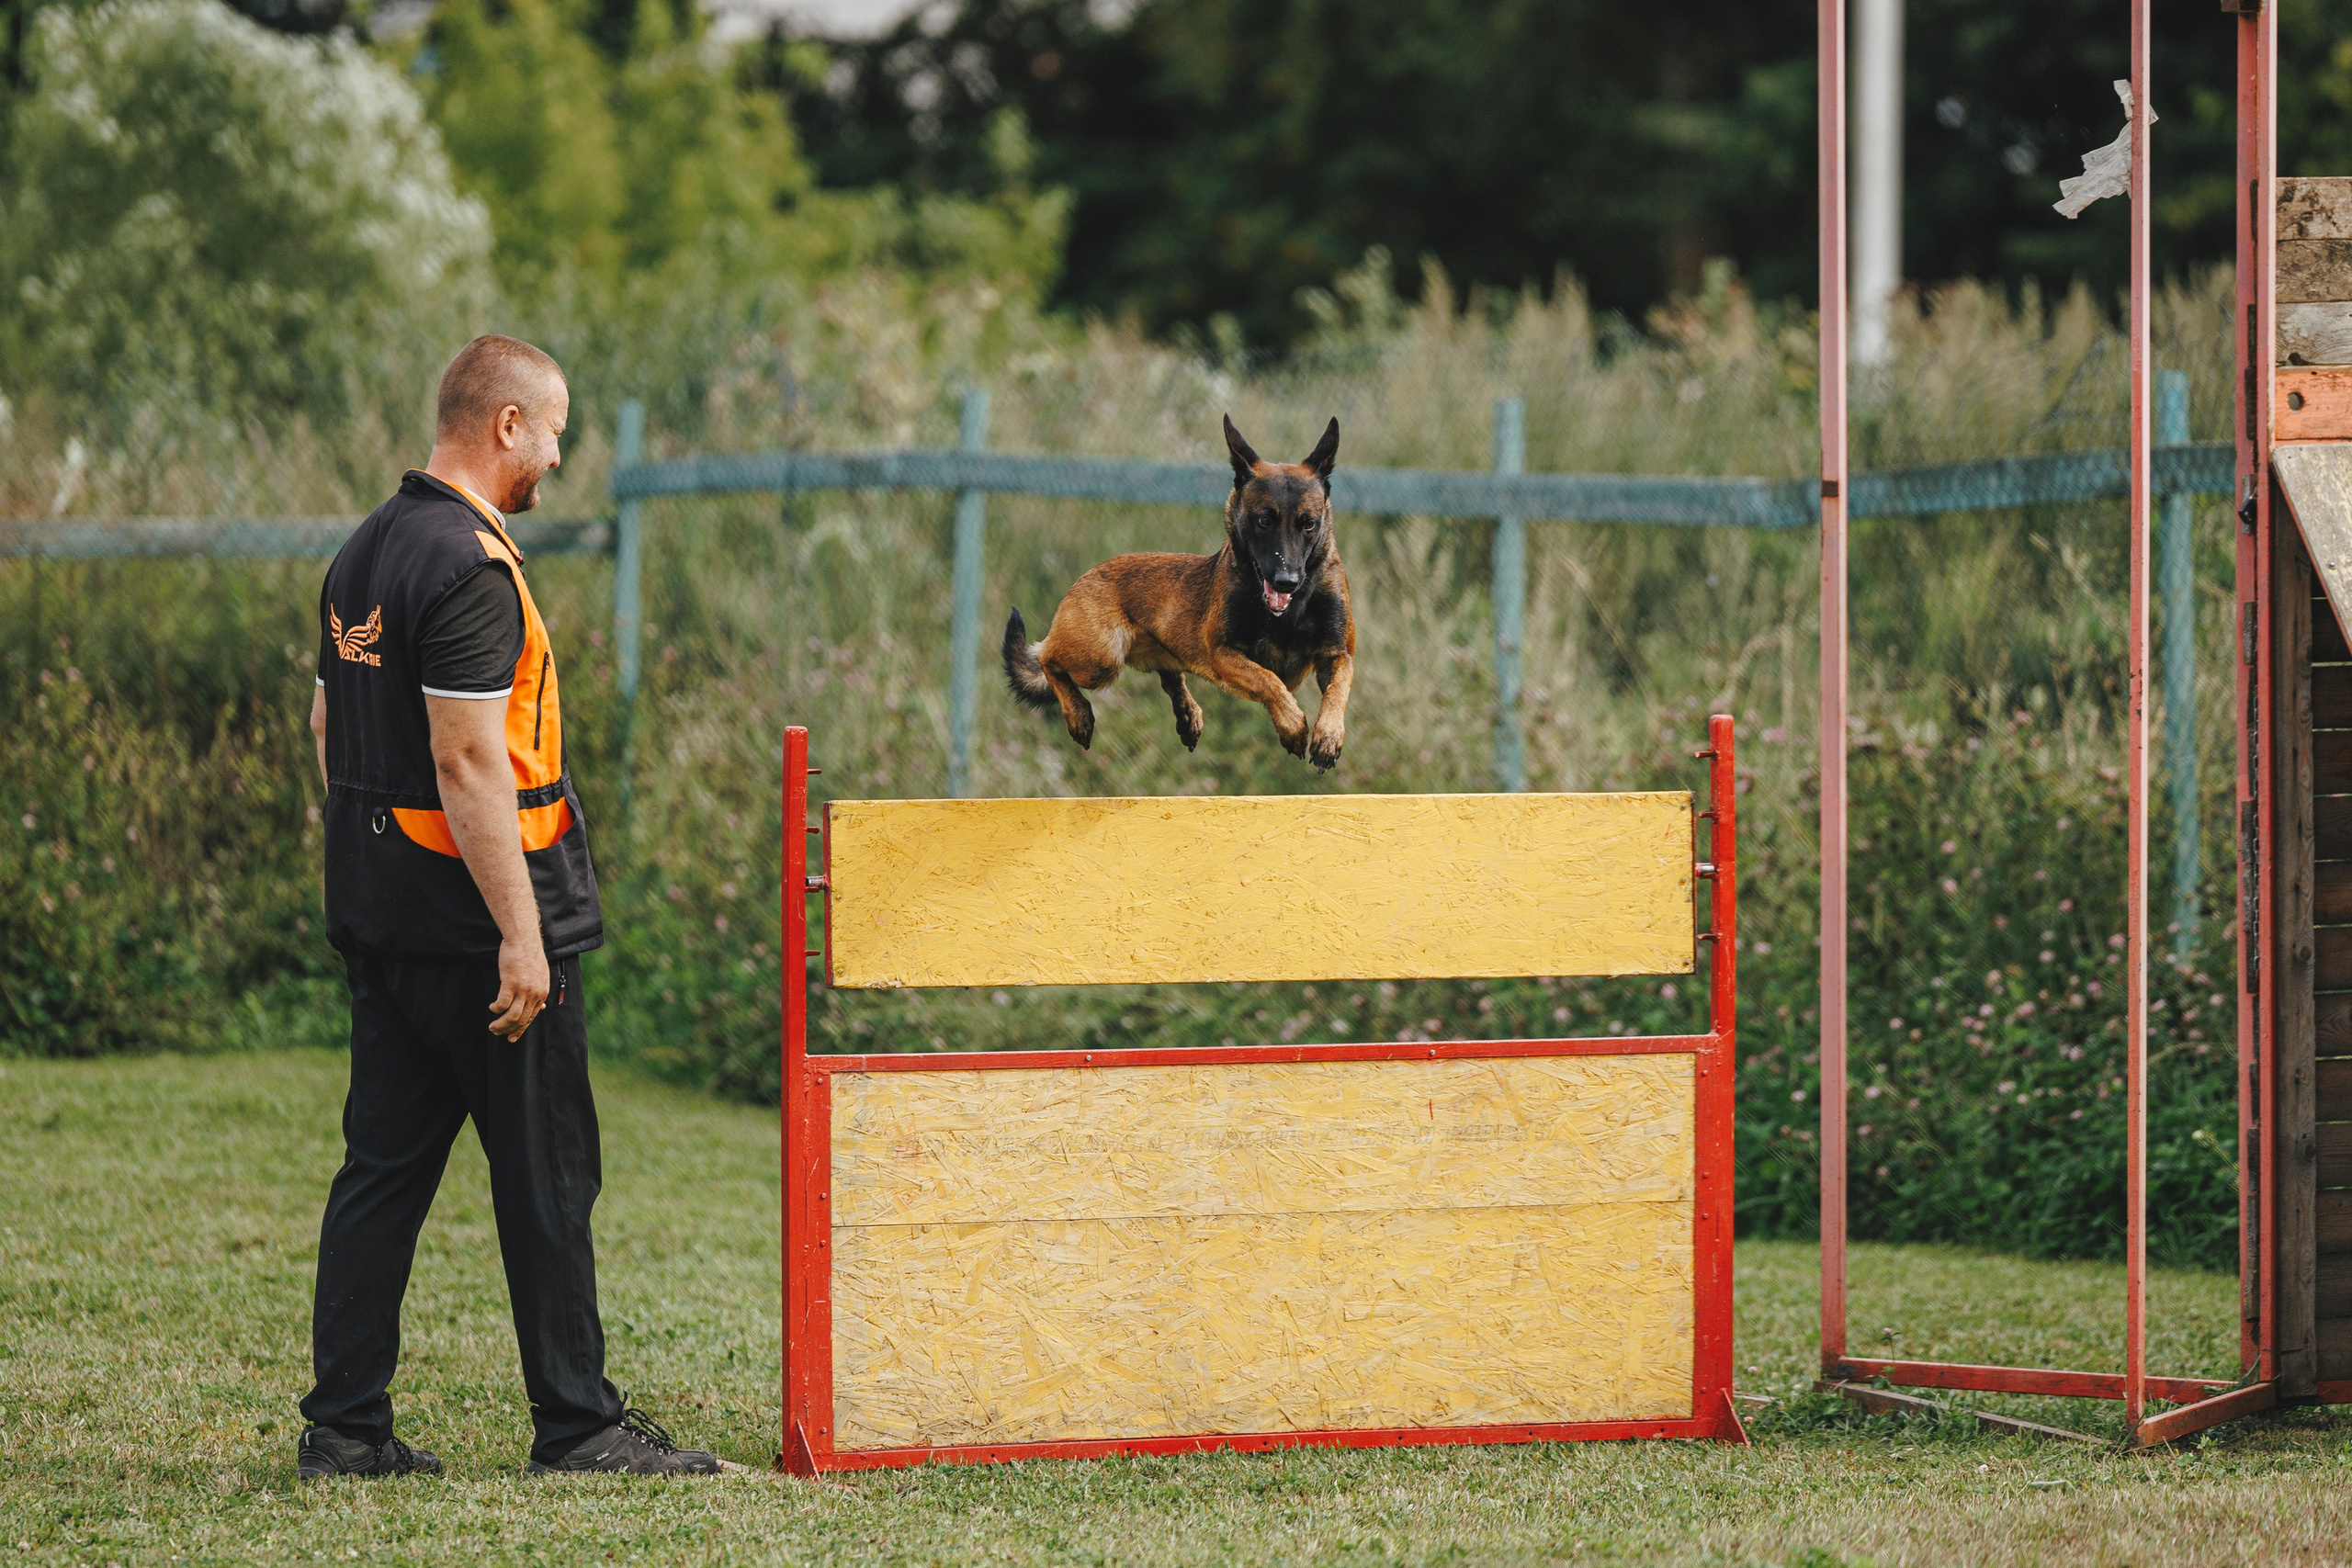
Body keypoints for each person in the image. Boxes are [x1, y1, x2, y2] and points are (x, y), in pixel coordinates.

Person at [298, 335, 721, 1480]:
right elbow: (469, 761)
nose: (557, 460)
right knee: (548, 1178)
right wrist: (522, 934)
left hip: (384, 920)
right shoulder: (471, 566)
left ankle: (346, 1429)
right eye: (555, 435)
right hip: (481, 934)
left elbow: (332, 729)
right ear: (506, 427)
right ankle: (578, 1427)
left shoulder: (362, 551)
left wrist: (379, 862)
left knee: (380, 1176)